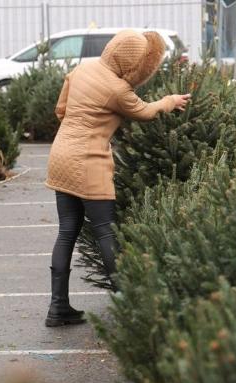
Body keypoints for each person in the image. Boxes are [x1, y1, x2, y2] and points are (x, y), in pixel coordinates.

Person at [43, 29, 191, 327]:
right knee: (106, 233)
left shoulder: (82, 69)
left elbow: (61, 110)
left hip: (60, 156)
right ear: (132, 63)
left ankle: (58, 308)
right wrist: (170, 100)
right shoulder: (117, 90)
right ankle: (129, 311)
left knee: (66, 231)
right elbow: (145, 112)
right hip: (89, 163)